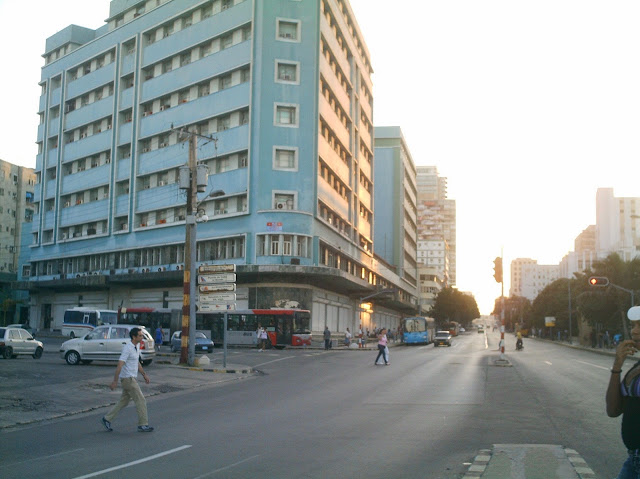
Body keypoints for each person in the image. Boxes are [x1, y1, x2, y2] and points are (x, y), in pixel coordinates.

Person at [606, 316, 640, 478]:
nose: (634, 331)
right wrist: (617, 365)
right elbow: (613, 410)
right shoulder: (635, 369)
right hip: (634, 460)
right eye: (633, 325)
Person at [101, 327, 154, 433]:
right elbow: (120, 365)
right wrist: (115, 381)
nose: (141, 337)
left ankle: (107, 419)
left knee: (123, 401)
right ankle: (143, 424)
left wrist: (144, 375)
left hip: (131, 378)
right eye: (139, 335)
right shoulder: (128, 348)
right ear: (134, 337)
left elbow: (137, 362)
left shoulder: (136, 346)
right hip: (128, 379)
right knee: (141, 399)